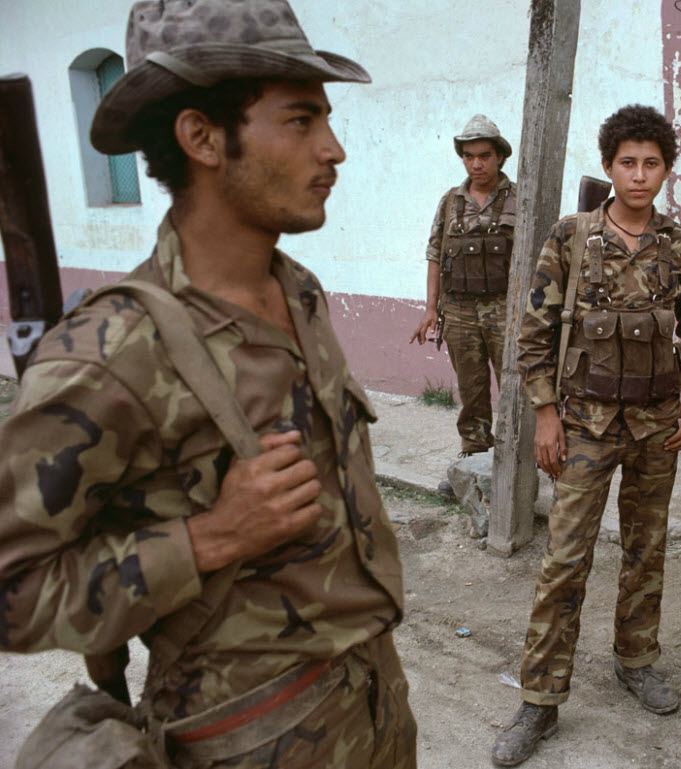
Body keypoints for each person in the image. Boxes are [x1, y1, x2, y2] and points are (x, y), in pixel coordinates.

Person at [0, 1, 416, 766]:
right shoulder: (109, 353)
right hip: (243, 738)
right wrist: (208, 537)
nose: (334, 149)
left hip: (374, 706)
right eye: (301, 120)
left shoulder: (298, 290)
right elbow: (11, 589)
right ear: (202, 138)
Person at [491, 105, 681, 767]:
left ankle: (636, 660)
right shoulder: (571, 235)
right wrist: (545, 413)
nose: (639, 175)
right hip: (584, 427)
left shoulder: (679, 244)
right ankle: (539, 699)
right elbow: (533, 335)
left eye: (652, 163)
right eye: (627, 163)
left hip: (656, 428)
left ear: (667, 170)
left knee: (646, 550)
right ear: (610, 166)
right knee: (565, 559)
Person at [411, 115, 517, 456]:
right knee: (471, 387)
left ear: (500, 156)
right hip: (458, 311)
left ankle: (518, 455)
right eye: (469, 156)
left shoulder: (520, 198)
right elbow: (435, 254)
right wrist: (430, 309)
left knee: (516, 385)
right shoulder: (451, 201)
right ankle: (474, 450)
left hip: (505, 308)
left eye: (484, 156)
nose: (476, 164)